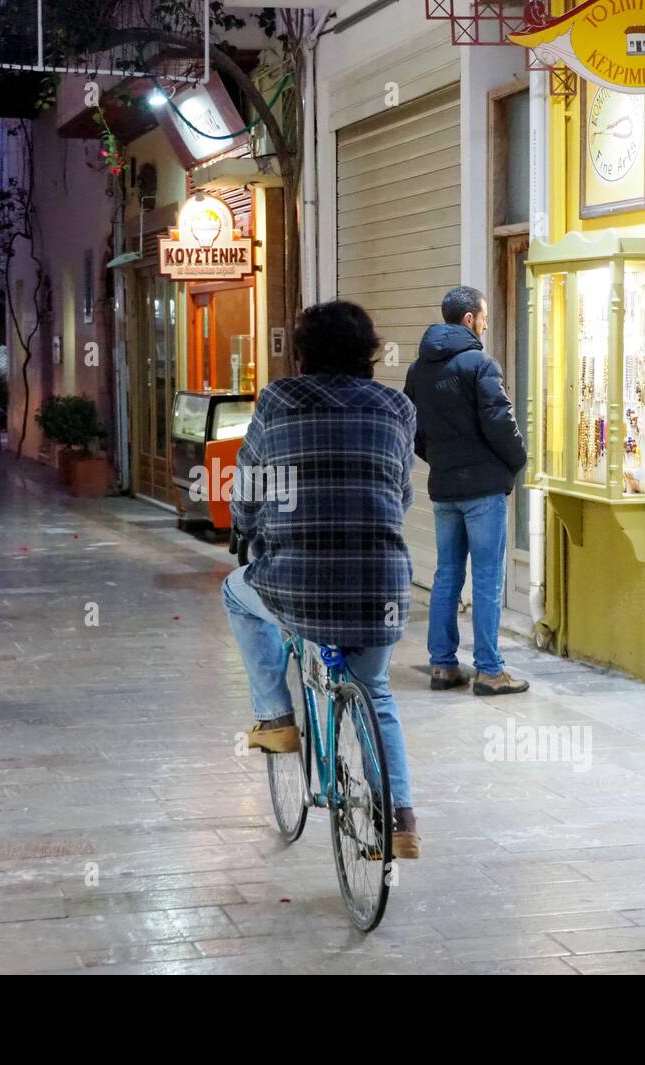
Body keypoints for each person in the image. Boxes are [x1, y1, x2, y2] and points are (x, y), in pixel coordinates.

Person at [223, 301, 421, 858]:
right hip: (381, 584)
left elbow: (251, 486)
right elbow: (399, 492)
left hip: (298, 583)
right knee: (376, 691)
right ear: (371, 352)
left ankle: (275, 718)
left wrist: (243, 527)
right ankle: (400, 819)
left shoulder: (278, 401)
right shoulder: (397, 407)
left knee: (235, 594)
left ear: (303, 353)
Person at [405, 285, 529, 696]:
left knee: (447, 575)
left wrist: (440, 460)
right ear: (469, 320)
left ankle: (443, 666)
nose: (487, 322)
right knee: (488, 578)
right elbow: (500, 424)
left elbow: (413, 432)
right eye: (485, 316)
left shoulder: (419, 370)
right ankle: (490, 671)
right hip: (483, 490)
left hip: (444, 489)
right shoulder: (480, 364)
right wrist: (514, 461)